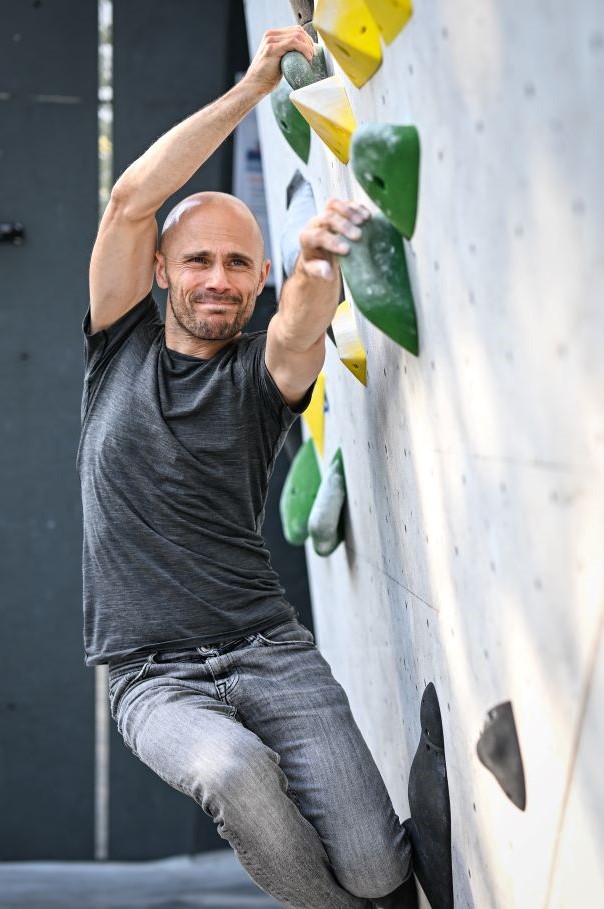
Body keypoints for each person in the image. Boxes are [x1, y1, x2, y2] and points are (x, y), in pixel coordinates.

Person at [77, 25, 418, 909]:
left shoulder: (263, 375)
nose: (218, 278)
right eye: (198, 260)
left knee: (382, 869)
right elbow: (130, 197)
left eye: (239, 262)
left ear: (258, 272)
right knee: (231, 768)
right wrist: (256, 84)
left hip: (268, 647)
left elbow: (304, 321)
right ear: (161, 270)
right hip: (154, 677)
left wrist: (313, 266)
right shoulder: (118, 347)